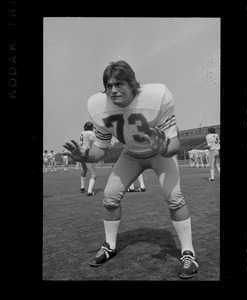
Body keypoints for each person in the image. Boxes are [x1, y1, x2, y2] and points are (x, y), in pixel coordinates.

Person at [62, 60, 198, 279]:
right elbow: (100, 149)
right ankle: (109, 245)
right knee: (109, 196)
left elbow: (174, 146)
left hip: (159, 154)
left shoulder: (158, 97)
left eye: (119, 84)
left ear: (133, 83)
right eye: (108, 86)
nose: (113, 90)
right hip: (130, 154)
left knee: (174, 196)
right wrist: (85, 156)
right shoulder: (99, 107)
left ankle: (188, 253)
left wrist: (163, 146)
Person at [79, 122, 97, 196]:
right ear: (91, 127)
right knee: (94, 173)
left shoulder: (82, 132)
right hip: (87, 154)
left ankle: (82, 187)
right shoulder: (90, 133)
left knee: (84, 170)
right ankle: (89, 191)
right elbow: (97, 141)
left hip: (81, 154)